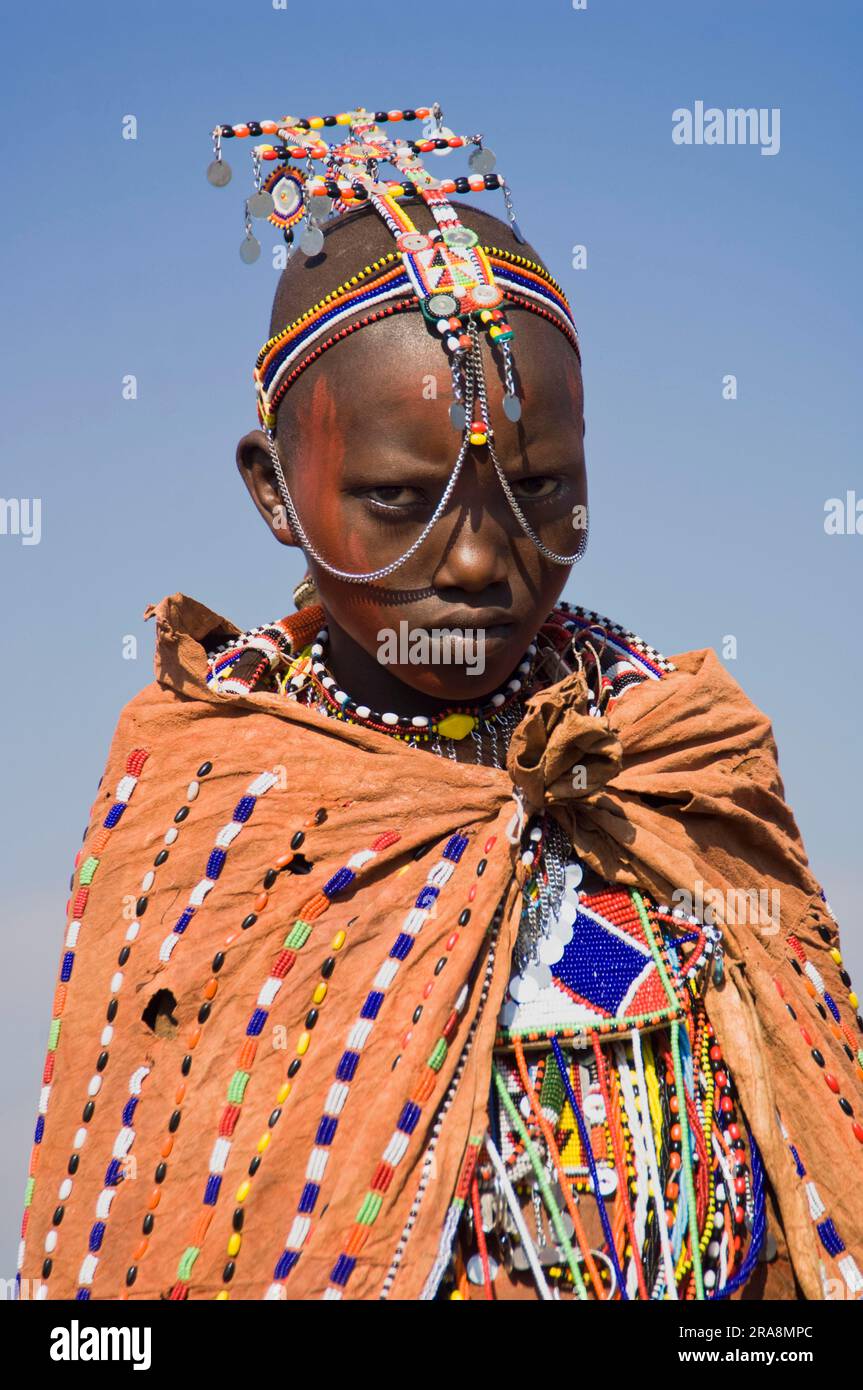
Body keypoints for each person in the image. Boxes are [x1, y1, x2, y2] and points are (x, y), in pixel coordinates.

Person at [16, 105, 863, 1302]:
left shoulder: (674, 758)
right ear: (274, 491)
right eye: (402, 499)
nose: (478, 558)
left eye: (539, 487)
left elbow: (811, 1158)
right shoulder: (217, 807)